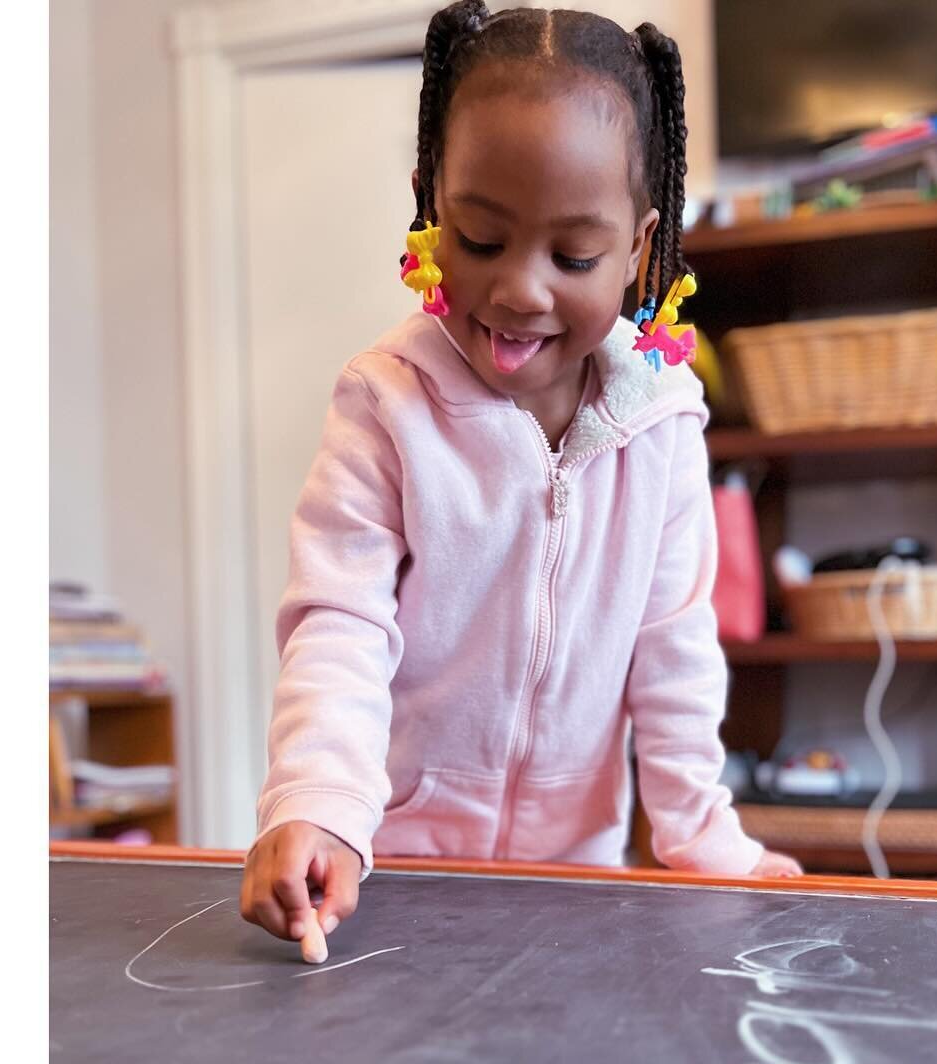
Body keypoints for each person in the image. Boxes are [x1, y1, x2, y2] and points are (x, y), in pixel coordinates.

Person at [241, 2, 800, 954]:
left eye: (574, 256)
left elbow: (674, 648)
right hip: (396, 877)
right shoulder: (386, 404)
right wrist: (319, 802)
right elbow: (341, 620)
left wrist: (702, 833)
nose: (520, 291)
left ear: (637, 246)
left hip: (574, 887)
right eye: (481, 239)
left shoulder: (662, 424)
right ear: (430, 205)